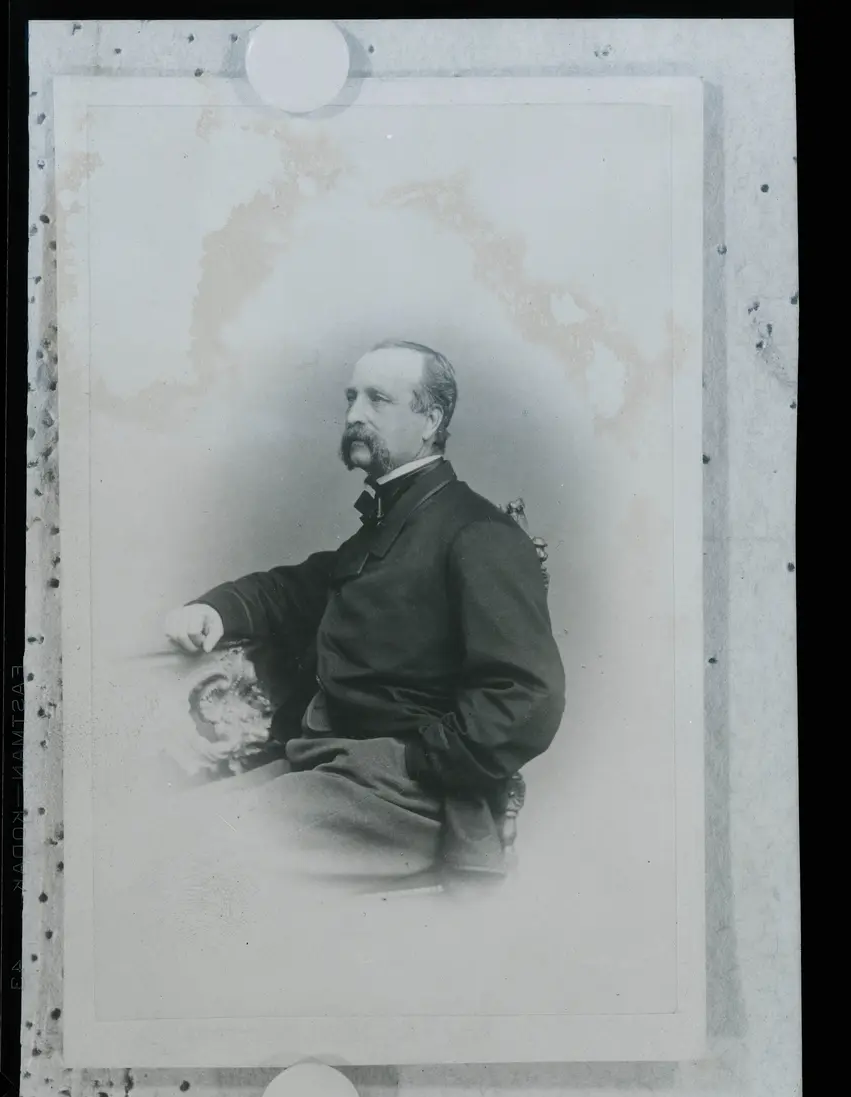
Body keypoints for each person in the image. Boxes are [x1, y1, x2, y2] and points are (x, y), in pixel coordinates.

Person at [163, 340, 565, 887]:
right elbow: (298, 588)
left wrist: (418, 761)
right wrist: (215, 609)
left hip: (410, 794)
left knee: (193, 858)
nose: (355, 414)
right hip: (331, 765)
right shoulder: (392, 523)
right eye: (352, 397)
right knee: (168, 831)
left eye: (378, 399)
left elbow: (527, 695)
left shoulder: (477, 532)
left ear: (431, 420)